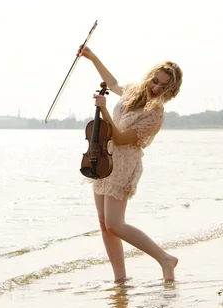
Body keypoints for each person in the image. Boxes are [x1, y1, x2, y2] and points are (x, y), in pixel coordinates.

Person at [77, 45, 183, 282]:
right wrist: (93, 57)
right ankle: (120, 279)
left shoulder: (155, 114)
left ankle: (165, 258)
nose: (156, 88)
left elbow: (122, 138)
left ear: (171, 90)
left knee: (115, 223)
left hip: (124, 164)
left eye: (163, 86)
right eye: (155, 81)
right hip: (103, 157)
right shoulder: (134, 90)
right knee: (104, 224)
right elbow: (113, 83)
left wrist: (103, 111)